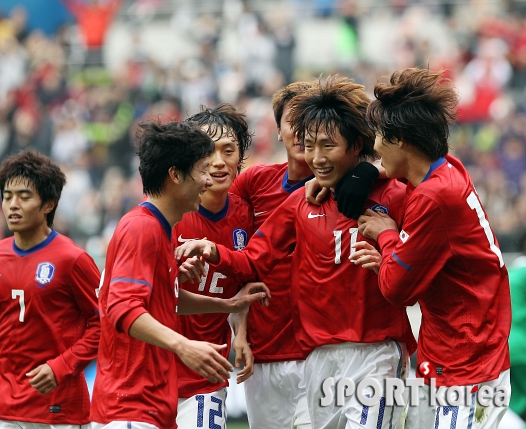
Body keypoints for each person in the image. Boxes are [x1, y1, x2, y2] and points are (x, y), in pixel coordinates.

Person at [177, 75, 416, 429]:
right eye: (307, 138)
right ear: (280, 131)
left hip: (372, 351)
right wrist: (211, 249)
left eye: (326, 144)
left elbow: (418, 264)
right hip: (300, 356)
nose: (314, 154)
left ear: (355, 143)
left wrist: (370, 179)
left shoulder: (392, 195)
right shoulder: (276, 194)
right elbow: (250, 258)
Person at [353, 68, 511, 429]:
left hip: (468, 364)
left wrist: (386, 234)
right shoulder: (446, 171)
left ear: (402, 140)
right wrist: (378, 174)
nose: (375, 147)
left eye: (379, 136)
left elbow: (396, 288)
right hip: (456, 351)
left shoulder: (434, 197)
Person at [90, 120, 269, 429]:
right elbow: (121, 308)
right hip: (130, 403)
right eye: (200, 169)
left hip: (153, 397)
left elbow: (166, 299)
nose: (206, 180)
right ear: (175, 175)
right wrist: (183, 345)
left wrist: (227, 306)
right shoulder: (141, 228)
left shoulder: (159, 228)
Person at [0, 150, 101, 428]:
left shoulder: (72, 259)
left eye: (24, 196)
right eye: (7, 196)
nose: (12, 204)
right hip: (1, 407)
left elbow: (103, 324)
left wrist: (60, 366)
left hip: (57, 408)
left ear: (48, 204)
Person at [227, 81, 316, 429]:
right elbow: (243, 265)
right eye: (293, 121)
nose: (301, 131)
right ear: (278, 131)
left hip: (320, 351)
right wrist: (240, 332)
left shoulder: (348, 188)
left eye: (311, 121)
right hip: (262, 354)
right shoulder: (253, 184)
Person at [173, 104, 255, 429]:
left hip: (208, 374)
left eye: (229, 150)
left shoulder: (247, 216)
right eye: (209, 152)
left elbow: (243, 283)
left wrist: (241, 332)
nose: (219, 162)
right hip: (155, 372)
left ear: (240, 158)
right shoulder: (168, 215)